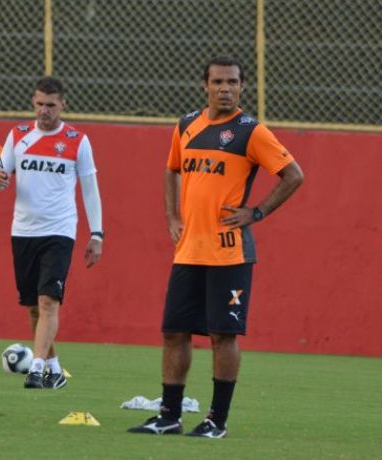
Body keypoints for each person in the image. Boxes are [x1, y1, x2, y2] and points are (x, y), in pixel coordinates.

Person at [128, 56, 305, 438]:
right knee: (174, 332)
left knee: (223, 336)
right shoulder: (186, 125)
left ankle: (216, 420)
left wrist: (257, 212)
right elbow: (171, 168)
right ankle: (169, 415)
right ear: (205, 85)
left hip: (230, 253)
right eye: (219, 82)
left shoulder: (251, 131)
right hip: (189, 250)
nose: (226, 89)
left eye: (233, 82)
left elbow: (294, 175)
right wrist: (171, 217)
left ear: (242, 86)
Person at [0, 77, 104, 390]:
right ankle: (54, 368)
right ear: (33, 102)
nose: (44, 111)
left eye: (51, 105)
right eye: (40, 104)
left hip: (59, 230)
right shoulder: (19, 135)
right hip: (23, 231)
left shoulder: (77, 140)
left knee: (48, 302)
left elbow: (90, 190)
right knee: (33, 307)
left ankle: (37, 369)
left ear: (63, 105)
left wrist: (97, 234)